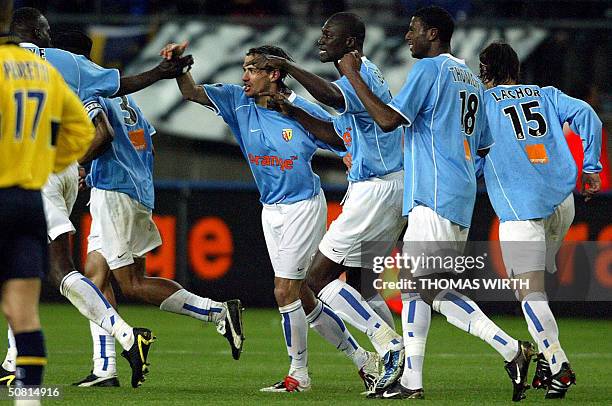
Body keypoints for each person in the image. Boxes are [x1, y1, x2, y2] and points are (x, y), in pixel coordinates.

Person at [337, 6, 534, 400]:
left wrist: (353, 75)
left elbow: (389, 120)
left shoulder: (430, 69)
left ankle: (412, 381)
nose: (408, 37)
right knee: (435, 292)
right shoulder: (472, 80)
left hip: (433, 193)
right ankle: (511, 350)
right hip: (458, 195)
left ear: (432, 32)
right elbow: (483, 144)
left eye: (412, 31)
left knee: (414, 289)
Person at [161, 42, 381, 393]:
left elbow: (343, 139)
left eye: (253, 69)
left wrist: (352, 157)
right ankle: (364, 361)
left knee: (284, 290)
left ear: (274, 74)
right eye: (245, 67)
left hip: (303, 206)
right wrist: (179, 69)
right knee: (303, 296)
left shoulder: (299, 108)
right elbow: (191, 93)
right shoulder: (237, 101)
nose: (244, 75)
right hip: (270, 208)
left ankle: (299, 375)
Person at [1, 7, 192, 388]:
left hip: (23, 175)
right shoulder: (67, 63)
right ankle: (13, 365)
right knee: (23, 269)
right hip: (63, 171)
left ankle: (125, 335)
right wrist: (163, 72)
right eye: (46, 30)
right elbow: (117, 86)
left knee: (57, 269)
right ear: (39, 32)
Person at [257, 12, 407, 391]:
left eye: (329, 35)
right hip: (386, 185)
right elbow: (336, 133)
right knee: (362, 285)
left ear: (350, 43)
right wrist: (290, 109)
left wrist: (288, 66)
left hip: (376, 188)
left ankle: (389, 345)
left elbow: (330, 96)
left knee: (317, 278)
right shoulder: (358, 75)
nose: (321, 39)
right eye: (322, 33)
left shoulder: (360, 74)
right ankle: (397, 372)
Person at [478, 42, 602, 399]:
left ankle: (558, 364)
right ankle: (548, 357)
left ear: (485, 71)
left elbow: (470, 154)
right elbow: (588, 116)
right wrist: (591, 166)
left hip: (521, 208)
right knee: (539, 286)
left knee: (528, 292)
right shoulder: (545, 94)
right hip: (562, 202)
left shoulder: (484, 104)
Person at [0, 0, 93, 394]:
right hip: (27, 199)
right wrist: (43, 162)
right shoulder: (43, 70)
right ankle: (28, 399)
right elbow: (82, 133)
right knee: (24, 313)